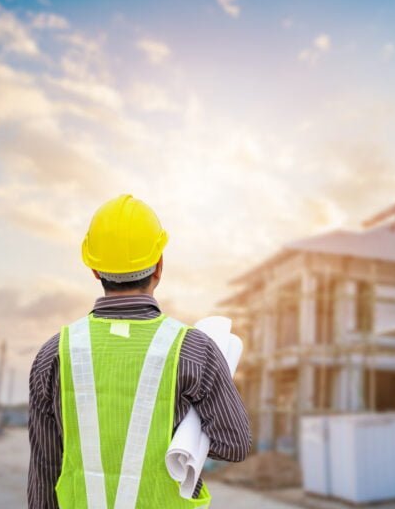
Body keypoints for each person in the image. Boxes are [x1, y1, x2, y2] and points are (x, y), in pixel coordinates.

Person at [28, 195, 251, 508]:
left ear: (94, 269)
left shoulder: (54, 354)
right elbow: (234, 444)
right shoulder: (195, 350)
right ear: (159, 265)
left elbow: (45, 469)